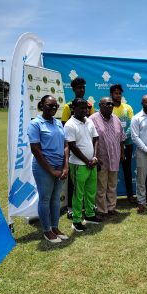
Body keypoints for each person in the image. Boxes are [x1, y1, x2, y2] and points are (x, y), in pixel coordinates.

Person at [28, 95, 69, 243]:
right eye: (49, 105)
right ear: (41, 105)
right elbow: (36, 150)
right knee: (45, 199)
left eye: (55, 106)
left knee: (55, 198)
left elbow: (65, 145)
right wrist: (51, 170)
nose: (53, 108)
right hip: (43, 167)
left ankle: (55, 227)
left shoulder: (58, 123)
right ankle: (47, 230)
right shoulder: (35, 124)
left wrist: (65, 166)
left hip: (60, 166)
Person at [64, 98, 101, 232]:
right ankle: (77, 220)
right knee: (78, 194)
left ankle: (90, 215)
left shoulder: (89, 121)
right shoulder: (69, 124)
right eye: (81, 108)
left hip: (92, 163)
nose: (85, 110)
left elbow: (96, 139)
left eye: (86, 108)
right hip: (79, 165)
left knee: (91, 192)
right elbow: (72, 146)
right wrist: (87, 161)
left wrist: (95, 157)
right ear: (74, 108)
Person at [61, 77, 94, 219]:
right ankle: (71, 208)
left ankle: (88, 208)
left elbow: (91, 125)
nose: (81, 90)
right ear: (73, 89)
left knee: (88, 183)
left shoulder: (90, 105)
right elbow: (64, 129)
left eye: (83, 87)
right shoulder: (68, 106)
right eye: (79, 88)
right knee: (73, 183)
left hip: (88, 148)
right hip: (73, 149)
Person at [90, 97, 126, 216]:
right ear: (100, 105)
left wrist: (122, 153)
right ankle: (101, 210)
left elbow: (121, 138)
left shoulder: (116, 119)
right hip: (101, 159)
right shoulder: (92, 119)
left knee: (112, 185)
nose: (110, 106)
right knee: (101, 187)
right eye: (107, 104)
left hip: (115, 157)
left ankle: (111, 207)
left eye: (111, 104)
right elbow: (89, 140)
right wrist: (94, 157)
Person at [111, 84, 135, 204]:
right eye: (116, 93)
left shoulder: (128, 108)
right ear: (111, 95)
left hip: (128, 143)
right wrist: (117, 139)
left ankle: (130, 195)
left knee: (127, 169)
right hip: (113, 145)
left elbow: (132, 125)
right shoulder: (109, 108)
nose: (118, 95)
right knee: (113, 171)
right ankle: (111, 198)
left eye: (120, 93)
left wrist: (124, 137)